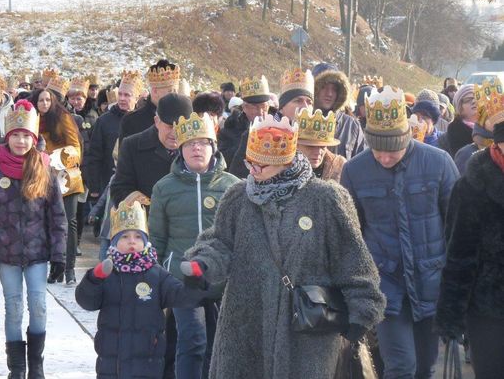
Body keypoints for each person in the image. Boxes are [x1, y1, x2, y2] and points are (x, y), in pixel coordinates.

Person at [184, 114, 385, 378]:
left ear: (283, 161)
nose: (252, 170)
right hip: (246, 326)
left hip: (307, 330)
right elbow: (219, 241)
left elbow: (352, 259)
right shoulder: (238, 198)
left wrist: (362, 311)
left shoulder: (326, 199)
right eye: (250, 162)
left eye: (261, 164)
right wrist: (203, 264)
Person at [341, 86, 459, 379]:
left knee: (424, 366)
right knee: (401, 366)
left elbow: (456, 224)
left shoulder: (439, 162)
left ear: (406, 136)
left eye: (392, 148)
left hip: (431, 280)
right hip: (386, 285)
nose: (383, 157)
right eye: (377, 149)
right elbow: (351, 233)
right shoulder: (355, 171)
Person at [0, 100, 67, 379]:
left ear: (34, 138)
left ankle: (36, 365)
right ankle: (16, 367)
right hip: (6, 253)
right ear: (7, 136)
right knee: (13, 306)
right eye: (15, 135)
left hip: (37, 252)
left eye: (26, 135)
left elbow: (57, 217)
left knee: (38, 304)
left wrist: (60, 255)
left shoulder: (44, 170)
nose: (20, 140)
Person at [149, 112, 239, 379]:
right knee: (192, 340)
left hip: (222, 281)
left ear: (213, 147)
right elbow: (157, 239)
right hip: (182, 278)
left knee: (218, 345)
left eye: (203, 142)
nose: (197, 148)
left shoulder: (233, 186)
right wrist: (159, 276)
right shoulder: (164, 188)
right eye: (190, 144)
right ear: (181, 149)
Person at [75, 200, 207, 379]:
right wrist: (93, 279)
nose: (132, 241)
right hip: (112, 364)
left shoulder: (156, 274)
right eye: (124, 237)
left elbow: (183, 297)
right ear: (114, 241)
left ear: (145, 241)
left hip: (148, 364)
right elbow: (87, 301)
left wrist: (194, 281)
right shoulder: (108, 273)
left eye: (138, 237)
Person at [435, 113, 504, 379]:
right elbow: (458, 254)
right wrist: (451, 315)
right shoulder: (471, 187)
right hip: (488, 308)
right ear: (496, 144)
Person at [32, 85, 83, 285]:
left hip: (65, 176)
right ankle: (56, 267)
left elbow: (75, 147)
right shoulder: (33, 120)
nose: (44, 104)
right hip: (43, 178)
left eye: (47, 100)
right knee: (49, 224)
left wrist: (57, 159)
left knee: (68, 222)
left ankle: (69, 269)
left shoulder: (62, 117)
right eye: (40, 100)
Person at [110, 93, 193, 206]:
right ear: (157, 121)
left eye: (180, 127)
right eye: (169, 126)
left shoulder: (197, 148)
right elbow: (120, 189)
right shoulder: (132, 146)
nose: (175, 133)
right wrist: (151, 208)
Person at [229, 69, 313, 178]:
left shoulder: (316, 137)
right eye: (297, 101)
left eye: (309, 102)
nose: (305, 107)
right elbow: (237, 178)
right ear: (282, 106)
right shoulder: (258, 133)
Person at [84, 71, 142, 201]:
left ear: (136, 98)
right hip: (108, 184)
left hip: (137, 186)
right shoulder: (104, 121)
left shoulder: (143, 121)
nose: (122, 98)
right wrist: (94, 187)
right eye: (120, 94)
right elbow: (94, 154)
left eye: (127, 95)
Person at [312, 63, 366, 160]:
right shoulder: (301, 121)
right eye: (323, 87)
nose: (329, 93)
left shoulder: (351, 126)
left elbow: (362, 165)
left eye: (334, 89)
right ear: (314, 89)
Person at [119, 59, 181, 143]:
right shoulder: (132, 121)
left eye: (176, 91)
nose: (175, 95)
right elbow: (124, 154)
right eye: (170, 91)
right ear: (155, 91)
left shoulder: (181, 120)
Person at [218, 75, 271, 167]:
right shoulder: (228, 131)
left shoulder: (281, 127)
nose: (260, 112)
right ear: (244, 108)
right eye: (254, 107)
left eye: (264, 106)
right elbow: (224, 163)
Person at [296, 107, 346, 181]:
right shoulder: (281, 168)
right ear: (296, 145)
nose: (318, 152)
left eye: (322, 147)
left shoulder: (339, 167)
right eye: (310, 146)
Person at [438, 83, 477, 158]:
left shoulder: (491, 127)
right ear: (459, 107)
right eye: (468, 100)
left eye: (477, 98)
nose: (474, 101)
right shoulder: (451, 134)